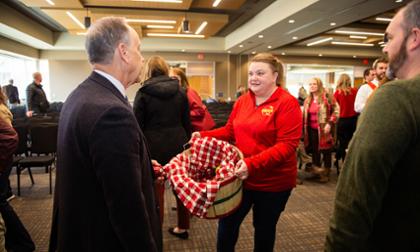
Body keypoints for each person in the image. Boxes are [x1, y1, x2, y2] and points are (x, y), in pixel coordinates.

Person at [49, 17, 162, 252]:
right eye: (138, 49)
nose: (142, 58)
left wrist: (140, 166)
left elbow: (95, 166)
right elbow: (126, 209)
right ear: (124, 52)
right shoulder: (111, 113)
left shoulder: (81, 95)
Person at [325, 1, 420, 250]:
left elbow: (353, 204)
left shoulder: (396, 96)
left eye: (388, 38)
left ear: (414, 38)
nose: (386, 49)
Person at [193, 53, 302, 251]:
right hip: (241, 178)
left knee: (263, 230)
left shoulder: (287, 103)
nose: (253, 78)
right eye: (251, 73)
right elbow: (230, 130)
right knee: (227, 226)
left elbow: (287, 145)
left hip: (273, 183)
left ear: (274, 76)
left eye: (260, 73)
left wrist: (251, 164)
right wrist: (203, 136)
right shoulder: (243, 101)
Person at [133, 57, 191, 237]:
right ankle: (183, 227)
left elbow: (137, 126)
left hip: (153, 145)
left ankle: (156, 232)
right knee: (181, 187)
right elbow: (186, 123)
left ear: (148, 71)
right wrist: (187, 145)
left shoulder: (143, 93)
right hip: (178, 143)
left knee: (156, 190)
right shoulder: (181, 91)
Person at [166, 67, 215, 239]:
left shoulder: (188, 91)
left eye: (175, 78)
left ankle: (191, 204)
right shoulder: (176, 93)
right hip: (190, 132)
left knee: (192, 172)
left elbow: (200, 111)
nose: (172, 80)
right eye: (170, 77)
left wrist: (182, 114)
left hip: (198, 131)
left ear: (182, 79)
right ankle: (187, 203)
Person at [0, 107, 35, 252]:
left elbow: (9, 138)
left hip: (2, 162)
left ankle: (22, 243)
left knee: (1, 203)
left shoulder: (1, 110)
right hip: (4, 161)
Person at [303, 77, 339, 183]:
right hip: (311, 130)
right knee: (315, 151)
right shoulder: (307, 100)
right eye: (310, 84)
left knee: (326, 151)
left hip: (325, 129)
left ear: (319, 85)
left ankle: (326, 173)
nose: (312, 86)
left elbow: (336, 110)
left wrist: (330, 123)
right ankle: (317, 172)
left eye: (314, 84)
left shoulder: (327, 97)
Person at [333, 74, 357, 171]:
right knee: (351, 142)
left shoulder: (337, 93)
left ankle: (339, 160)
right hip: (353, 120)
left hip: (342, 121)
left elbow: (335, 108)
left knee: (342, 143)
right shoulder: (355, 91)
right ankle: (347, 163)